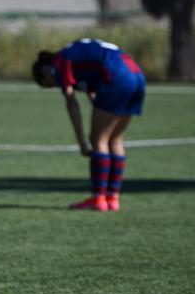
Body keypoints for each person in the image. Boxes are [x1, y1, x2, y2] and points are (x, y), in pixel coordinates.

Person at [32, 38, 145, 212]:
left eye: (49, 82)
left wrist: (83, 143)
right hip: (136, 75)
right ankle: (112, 198)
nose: (56, 85)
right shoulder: (76, 57)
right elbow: (93, 93)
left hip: (116, 76)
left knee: (99, 140)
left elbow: (72, 104)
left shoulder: (59, 62)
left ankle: (98, 199)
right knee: (115, 140)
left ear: (45, 69)